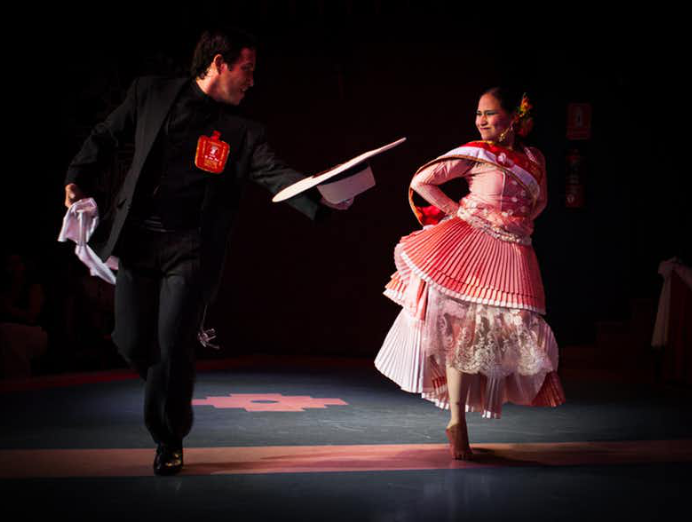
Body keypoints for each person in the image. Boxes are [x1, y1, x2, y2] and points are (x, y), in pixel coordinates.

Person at [63, 27, 351, 475]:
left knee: (173, 345)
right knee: (134, 343)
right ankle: (165, 386)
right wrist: (75, 177)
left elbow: (275, 174)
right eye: (246, 69)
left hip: (191, 250)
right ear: (218, 63)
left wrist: (323, 197)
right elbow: (105, 134)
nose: (251, 80)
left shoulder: (241, 131)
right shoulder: (151, 93)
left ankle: (169, 438)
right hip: (139, 243)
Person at [375, 87, 565, 460]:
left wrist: (516, 224)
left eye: (490, 113)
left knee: (496, 331)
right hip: (469, 249)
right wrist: (457, 213)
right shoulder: (477, 153)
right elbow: (423, 181)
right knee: (461, 332)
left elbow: (539, 201)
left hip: (511, 252)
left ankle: (462, 415)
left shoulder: (534, 158)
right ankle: (457, 420)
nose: (481, 120)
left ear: (513, 117)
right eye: (478, 113)